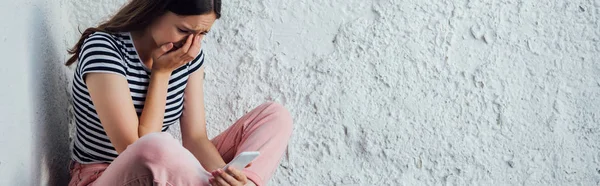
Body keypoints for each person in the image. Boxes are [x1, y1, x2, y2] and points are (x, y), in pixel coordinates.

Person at [65, 0, 293, 185]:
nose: (191, 43)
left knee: (274, 115)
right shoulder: (103, 49)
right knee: (158, 146)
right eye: (183, 30)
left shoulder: (189, 57)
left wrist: (225, 177)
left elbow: (195, 138)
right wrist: (161, 74)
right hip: (102, 176)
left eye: (203, 33)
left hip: (164, 172)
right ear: (154, 9)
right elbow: (134, 148)